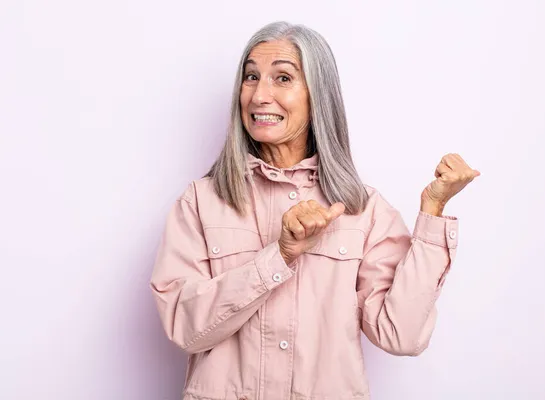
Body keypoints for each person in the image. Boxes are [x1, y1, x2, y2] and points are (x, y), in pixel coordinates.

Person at [150, 21, 480, 400]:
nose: (259, 95)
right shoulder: (200, 202)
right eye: (251, 77)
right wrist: (280, 256)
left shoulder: (363, 211)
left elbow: (401, 334)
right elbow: (185, 328)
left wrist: (432, 212)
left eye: (283, 78)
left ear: (317, 95)